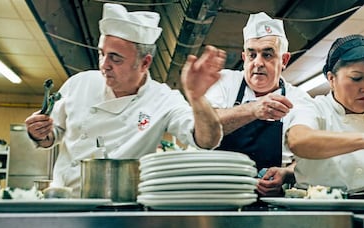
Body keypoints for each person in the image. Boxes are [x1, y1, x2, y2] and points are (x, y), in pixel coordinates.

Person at [24, 3, 225, 197]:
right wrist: (39, 132)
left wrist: (197, 98)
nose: (104, 65)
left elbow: (207, 141)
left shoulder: (164, 99)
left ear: (145, 62)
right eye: (102, 54)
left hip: (123, 202)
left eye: (115, 58)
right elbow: (52, 135)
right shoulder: (78, 83)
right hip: (67, 201)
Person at [205, 12, 312, 196]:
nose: (258, 63)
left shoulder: (300, 100)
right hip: (219, 195)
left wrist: (286, 173)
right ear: (244, 57)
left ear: (284, 60)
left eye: (267, 54)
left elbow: (309, 158)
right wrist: (253, 110)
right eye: (252, 54)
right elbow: (206, 127)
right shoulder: (223, 81)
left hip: (271, 201)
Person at [286, 34, 364, 193]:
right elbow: (298, 140)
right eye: (357, 78)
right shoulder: (314, 107)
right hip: (317, 202)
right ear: (331, 79)